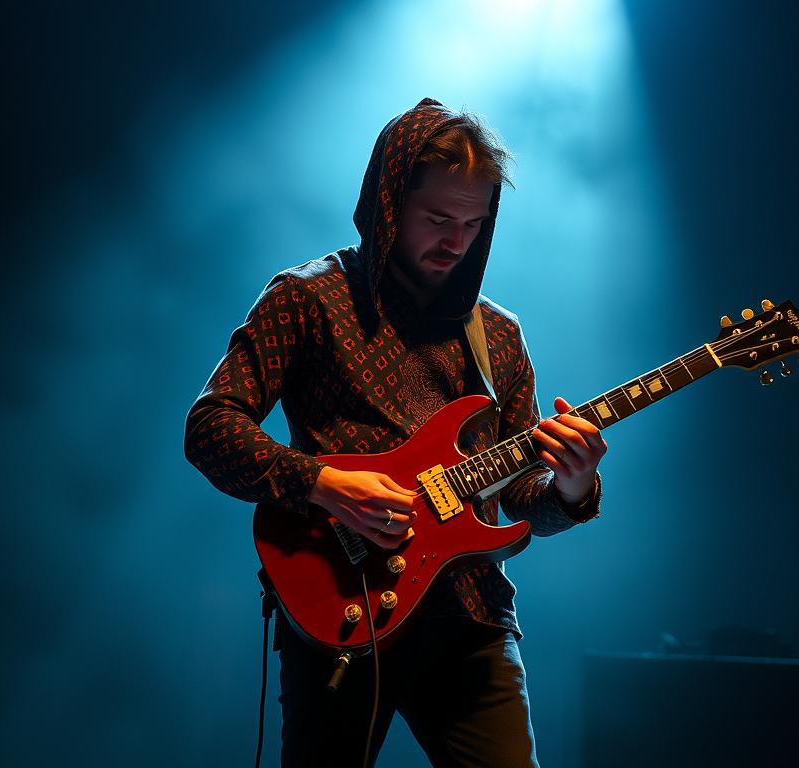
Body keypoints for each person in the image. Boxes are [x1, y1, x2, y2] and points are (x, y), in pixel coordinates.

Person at [185, 97, 607, 767]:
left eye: (474, 223)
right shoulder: (308, 298)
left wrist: (572, 484)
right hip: (343, 608)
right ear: (387, 202)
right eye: (438, 219)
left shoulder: (498, 334)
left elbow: (522, 501)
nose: (456, 241)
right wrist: (322, 484)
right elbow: (210, 427)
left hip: (472, 620)